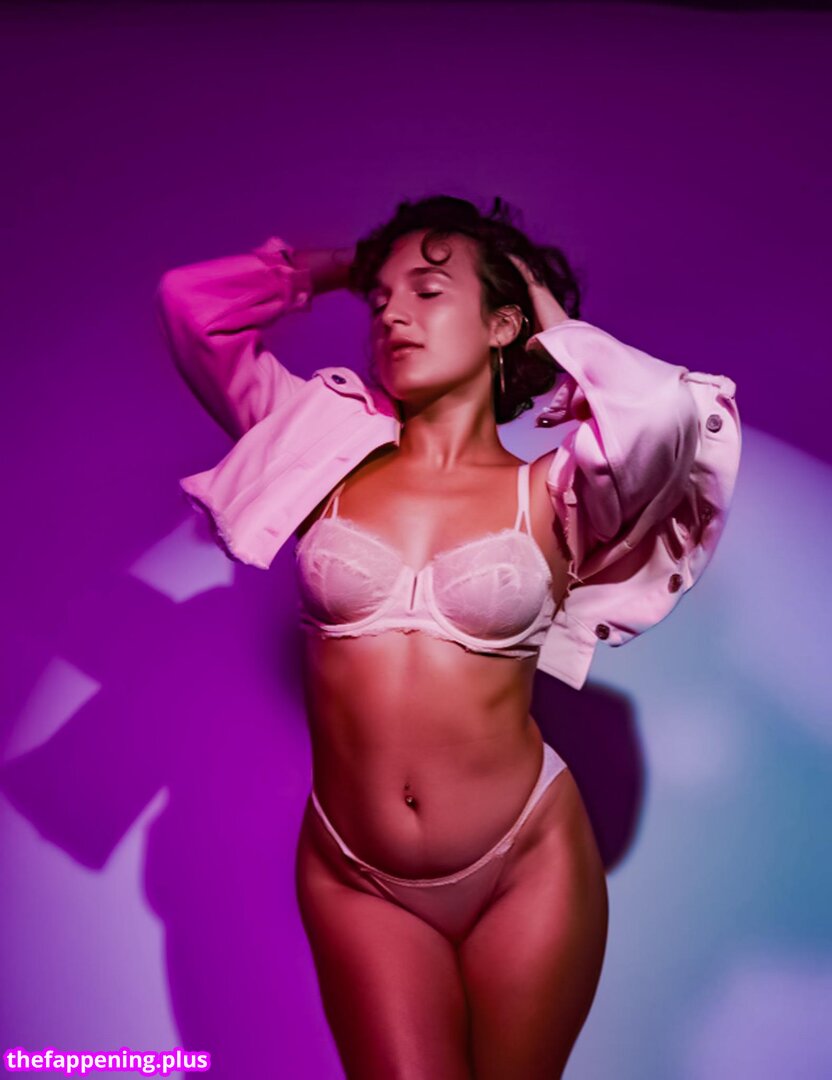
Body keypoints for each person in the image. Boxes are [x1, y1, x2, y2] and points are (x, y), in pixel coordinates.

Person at [156, 195, 741, 1079]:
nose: (392, 313)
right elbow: (191, 306)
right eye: (381, 299)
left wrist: (552, 321)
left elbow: (661, 417)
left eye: (428, 291)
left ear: (503, 324)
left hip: (525, 859)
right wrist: (343, 265)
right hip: (355, 873)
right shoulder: (318, 453)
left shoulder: (557, 490)